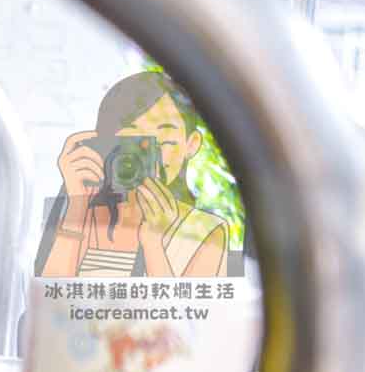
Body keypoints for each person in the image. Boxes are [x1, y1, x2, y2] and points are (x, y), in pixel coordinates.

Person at [38, 70, 230, 281]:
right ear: (105, 142)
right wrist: (77, 204)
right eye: (133, 140)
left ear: (191, 144)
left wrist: (153, 244)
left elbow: (188, 304)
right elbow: (49, 295)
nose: (149, 157)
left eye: (164, 140)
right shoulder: (76, 211)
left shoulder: (206, 231)